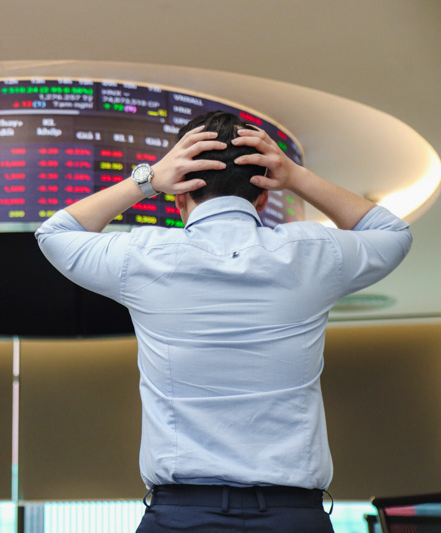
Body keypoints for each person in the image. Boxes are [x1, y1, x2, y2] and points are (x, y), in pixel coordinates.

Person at [35, 111, 412, 532]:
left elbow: (56, 233)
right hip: (292, 519)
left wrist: (146, 180)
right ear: (264, 196)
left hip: (181, 518)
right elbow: (393, 233)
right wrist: (296, 177)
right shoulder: (312, 252)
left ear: (179, 196)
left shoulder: (141, 256)